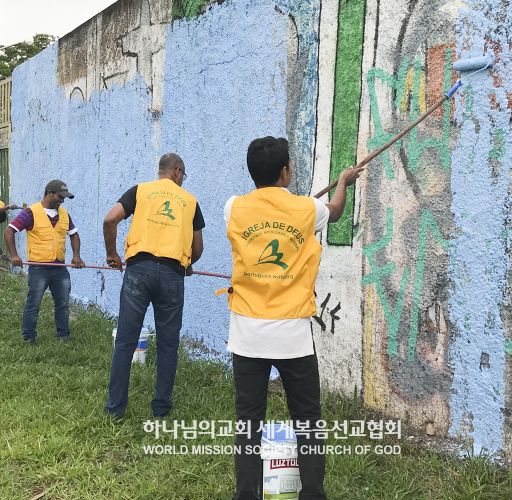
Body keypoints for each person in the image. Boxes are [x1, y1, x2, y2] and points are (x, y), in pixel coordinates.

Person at [223, 137, 363, 500]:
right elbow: (335, 210)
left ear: (253, 172)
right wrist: (343, 181)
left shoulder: (233, 207)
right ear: (285, 172)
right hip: (292, 336)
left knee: (248, 421)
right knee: (307, 418)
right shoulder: (307, 209)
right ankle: (312, 493)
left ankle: (246, 495)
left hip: (247, 333)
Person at [103, 153, 205, 418]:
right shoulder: (191, 201)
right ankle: (161, 409)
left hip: (139, 271)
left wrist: (112, 254)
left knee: (126, 340)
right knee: (168, 343)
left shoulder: (140, 191)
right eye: (183, 175)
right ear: (177, 171)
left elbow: (110, 219)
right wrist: (187, 263)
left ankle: (115, 409)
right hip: (172, 276)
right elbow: (197, 248)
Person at [4, 180, 84, 344]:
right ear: (49, 194)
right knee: (34, 303)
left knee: (63, 303)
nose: (62, 201)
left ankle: (63, 335)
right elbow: (9, 231)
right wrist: (14, 255)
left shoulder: (64, 214)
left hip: (60, 267)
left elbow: (74, 235)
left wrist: (76, 256)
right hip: (38, 268)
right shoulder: (30, 212)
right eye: (60, 197)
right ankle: (29, 337)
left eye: (64, 198)